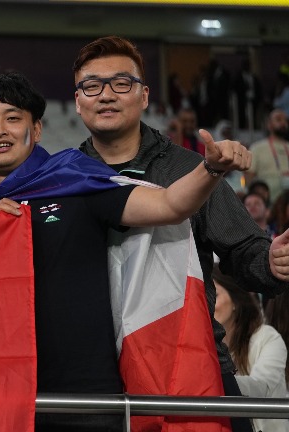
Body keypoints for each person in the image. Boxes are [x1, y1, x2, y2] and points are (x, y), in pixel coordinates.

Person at [0, 70, 249, 432]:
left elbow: (170, 206)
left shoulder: (75, 181)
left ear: (35, 130)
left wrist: (210, 169)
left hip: (85, 399)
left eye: (13, 117)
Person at [73, 35, 289, 432]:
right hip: (97, 377)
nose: (105, 95)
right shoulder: (61, 178)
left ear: (143, 95)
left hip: (190, 364)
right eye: (91, 85)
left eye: (121, 83)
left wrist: (271, 262)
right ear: (78, 100)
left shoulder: (192, 168)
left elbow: (244, 250)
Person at [213, 267, 289, 432]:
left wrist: (215, 382)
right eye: (204, 299)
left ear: (234, 300)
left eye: (215, 296)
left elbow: (262, 387)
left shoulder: (268, 338)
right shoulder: (206, 349)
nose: (209, 306)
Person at [245, 108, 289, 203]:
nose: (283, 123)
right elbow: (249, 176)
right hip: (267, 202)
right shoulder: (257, 148)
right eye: (278, 120)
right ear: (269, 125)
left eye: (285, 120)